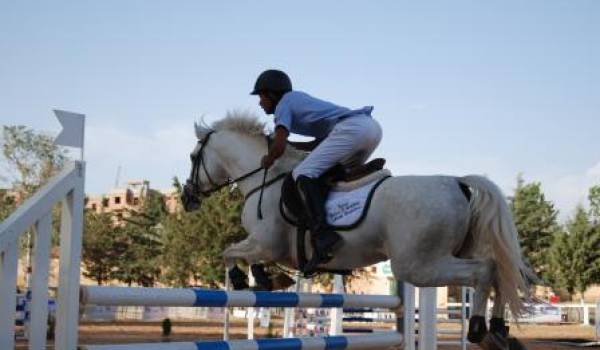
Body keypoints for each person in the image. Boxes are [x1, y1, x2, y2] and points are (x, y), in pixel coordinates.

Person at [252, 69, 382, 273]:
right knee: (331, 175)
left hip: (352, 130)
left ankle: (323, 235)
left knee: (301, 175)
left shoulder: (283, 105)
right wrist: (291, 146)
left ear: (272, 94)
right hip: (370, 129)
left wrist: (267, 159)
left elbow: (277, 148)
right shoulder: (297, 101)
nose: (260, 102)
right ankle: (346, 224)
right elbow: (318, 144)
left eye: (261, 96)